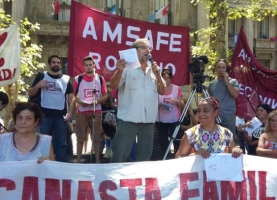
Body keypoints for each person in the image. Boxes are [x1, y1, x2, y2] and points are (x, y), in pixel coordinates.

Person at [110, 38, 165, 163]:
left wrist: (158, 75)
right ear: (135, 51)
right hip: (128, 119)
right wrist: (119, 71)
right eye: (144, 47)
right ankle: (113, 179)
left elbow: (162, 91)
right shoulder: (126, 68)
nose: (148, 50)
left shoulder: (154, 69)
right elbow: (113, 86)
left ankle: (140, 180)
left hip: (148, 120)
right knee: (120, 154)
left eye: (149, 48)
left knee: (144, 158)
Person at [28, 55, 74, 162]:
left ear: (60, 64)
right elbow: (30, 93)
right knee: (44, 142)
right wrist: (39, 85)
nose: (56, 64)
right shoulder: (42, 75)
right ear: (49, 64)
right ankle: (45, 166)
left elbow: (72, 98)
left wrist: (70, 113)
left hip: (61, 117)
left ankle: (61, 167)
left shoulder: (66, 79)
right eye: (53, 62)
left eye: (58, 62)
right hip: (45, 116)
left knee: (61, 143)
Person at [175, 97, 242, 159]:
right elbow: (178, 157)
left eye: (205, 111)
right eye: (198, 111)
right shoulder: (190, 134)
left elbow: (232, 153)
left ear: (215, 112)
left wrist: (236, 151)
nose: (200, 114)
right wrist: (195, 155)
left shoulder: (226, 133)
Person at [70, 56, 108, 163]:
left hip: (96, 111)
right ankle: (78, 161)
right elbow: (72, 95)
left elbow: (105, 95)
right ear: (83, 66)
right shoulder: (79, 79)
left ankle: (97, 161)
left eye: (90, 65)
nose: (88, 67)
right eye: (86, 65)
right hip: (82, 111)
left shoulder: (99, 78)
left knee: (96, 137)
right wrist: (79, 101)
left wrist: (97, 102)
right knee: (80, 137)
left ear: (94, 65)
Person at [156, 68, 184, 159]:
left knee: (176, 139)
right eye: (164, 78)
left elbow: (182, 104)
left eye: (168, 78)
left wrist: (176, 101)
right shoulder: (157, 88)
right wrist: (158, 105)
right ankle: (165, 158)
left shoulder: (176, 88)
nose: (166, 80)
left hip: (173, 119)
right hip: (161, 119)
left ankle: (177, 156)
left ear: (171, 78)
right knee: (163, 140)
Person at [208, 59, 239, 138]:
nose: (221, 69)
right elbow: (208, 100)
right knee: (216, 138)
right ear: (215, 69)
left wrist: (227, 81)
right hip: (215, 116)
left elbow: (235, 95)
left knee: (229, 138)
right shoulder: (212, 83)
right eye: (219, 67)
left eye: (223, 67)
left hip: (229, 116)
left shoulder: (233, 81)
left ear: (226, 69)